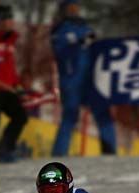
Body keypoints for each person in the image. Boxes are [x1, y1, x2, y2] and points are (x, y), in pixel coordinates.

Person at [50, 0, 117, 156]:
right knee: (70, 116)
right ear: (64, 10)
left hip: (90, 79)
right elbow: (60, 49)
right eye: (70, 8)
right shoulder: (60, 29)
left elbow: (95, 47)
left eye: (76, 8)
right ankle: (59, 154)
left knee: (102, 111)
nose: (74, 11)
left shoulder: (85, 27)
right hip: (71, 79)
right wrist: (79, 41)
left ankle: (110, 151)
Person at [0, 5, 28, 162]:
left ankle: (5, 149)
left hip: (8, 90)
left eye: (11, 18)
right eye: (7, 19)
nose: (11, 22)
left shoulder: (11, 39)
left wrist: (17, 84)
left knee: (20, 116)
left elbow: (10, 68)